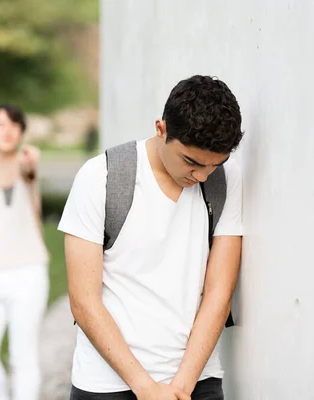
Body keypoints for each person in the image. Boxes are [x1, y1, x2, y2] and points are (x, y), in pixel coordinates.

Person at [58, 75, 244, 400]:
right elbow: (83, 301)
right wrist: (145, 388)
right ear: (161, 129)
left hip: (196, 381)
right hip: (108, 383)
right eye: (191, 162)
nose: (201, 176)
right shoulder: (100, 177)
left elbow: (219, 292)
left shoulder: (225, 182)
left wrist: (182, 386)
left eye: (214, 165)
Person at [0, 105, 49, 400]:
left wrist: (30, 163)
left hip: (28, 271)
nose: (8, 129)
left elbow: (29, 172)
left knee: (22, 357)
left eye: (15, 124)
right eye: (0, 124)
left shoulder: (25, 164)